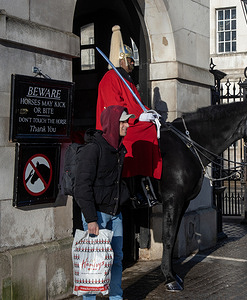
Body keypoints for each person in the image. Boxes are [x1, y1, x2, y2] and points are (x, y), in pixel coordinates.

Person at [96, 25, 162, 202]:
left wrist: (147, 112)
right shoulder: (110, 79)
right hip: (116, 125)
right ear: (121, 60)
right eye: (130, 59)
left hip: (129, 120)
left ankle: (146, 181)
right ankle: (137, 184)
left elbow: (135, 105)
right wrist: (139, 117)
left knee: (150, 128)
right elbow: (115, 108)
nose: (133, 62)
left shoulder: (128, 81)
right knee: (142, 133)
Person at [75, 105, 134, 300]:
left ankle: (116, 297)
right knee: (93, 263)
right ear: (112, 123)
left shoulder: (119, 149)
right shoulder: (93, 149)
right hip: (97, 216)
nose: (127, 124)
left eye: (127, 121)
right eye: (123, 121)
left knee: (117, 260)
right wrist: (91, 219)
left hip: (115, 214)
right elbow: (81, 187)